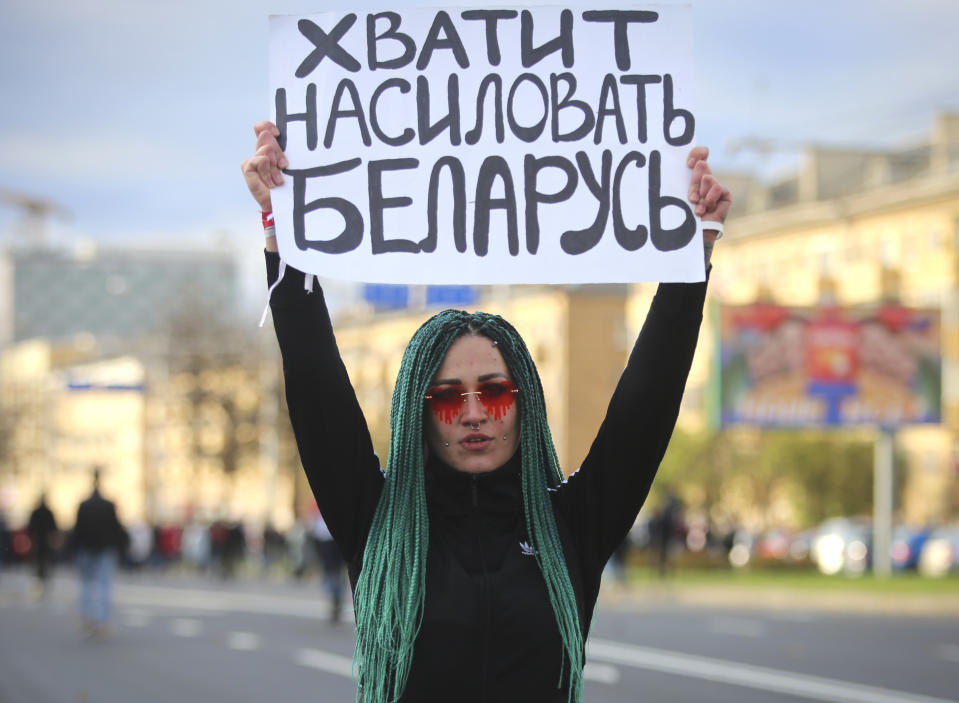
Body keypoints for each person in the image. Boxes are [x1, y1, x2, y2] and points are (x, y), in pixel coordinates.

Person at [242, 121, 730, 703]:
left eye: (494, 391)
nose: (473, 413)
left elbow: (645, 406)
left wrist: (691, 252)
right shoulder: (378, 522)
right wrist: (284, 227)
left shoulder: (569, 527)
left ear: (523, 407)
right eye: (447, 396)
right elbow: (317, 382)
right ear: (418, 418)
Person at [70, 468, 128, 637]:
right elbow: (116, 528)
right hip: (104, 549)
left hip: (87, 549)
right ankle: (101, 620)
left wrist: (73, 548)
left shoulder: (84, 506)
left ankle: (87, 618)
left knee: (87, 585)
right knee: (104, 585)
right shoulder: (108, 506)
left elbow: (77, 530)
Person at [27, 492, 58, 596]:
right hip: (45, 541)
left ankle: (41, 580)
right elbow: (53, 528)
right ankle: (44, 581)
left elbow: (30, 528)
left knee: (40, 562)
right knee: (45, 562)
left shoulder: (36, 512)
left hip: (38, 541)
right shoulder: (48, 512)